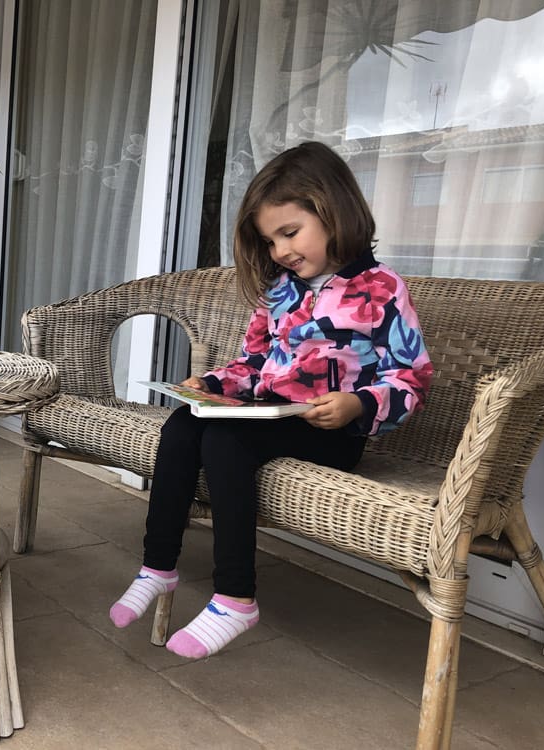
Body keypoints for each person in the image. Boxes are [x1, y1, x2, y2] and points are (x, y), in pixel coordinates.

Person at [109, 141, 434, 659]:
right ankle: (158, 568)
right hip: (267, 419)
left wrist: (359, 404)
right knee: (183, 425)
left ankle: (235, 595)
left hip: (331, 433)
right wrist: (211, 386)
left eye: (290, 233)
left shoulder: (380, 290)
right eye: (271, 240)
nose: (281, 251)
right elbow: (254, 364)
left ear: (334, 211)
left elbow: (411, 377)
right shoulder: (280, 291)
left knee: (224, 439)